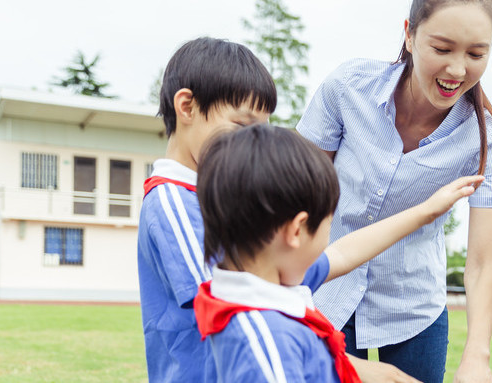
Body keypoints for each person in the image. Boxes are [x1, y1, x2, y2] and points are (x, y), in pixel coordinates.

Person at [137, 37, 416, 383]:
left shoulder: (222, 200)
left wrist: (429, 209)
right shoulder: (173, 202)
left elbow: (333, 257)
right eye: (242, 127)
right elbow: (234, 314)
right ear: (187, 106)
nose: (249, 145)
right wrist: (346, 366)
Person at [296, 1, 492, 381]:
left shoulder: (484, 140)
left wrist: (477, 357)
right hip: (325, 292)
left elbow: (480, 264)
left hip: (414, 309)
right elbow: (295, 196)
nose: (457, 70)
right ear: (409, 34)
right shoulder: (348, 88)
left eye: (476, 53)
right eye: (442, 49)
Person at [192, 124, 483, 382]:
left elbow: (345, 253)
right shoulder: (268, 341)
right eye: (329, 224)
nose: (329, 239)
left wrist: (426, 211)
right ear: (297, 231)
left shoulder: (264, 283)